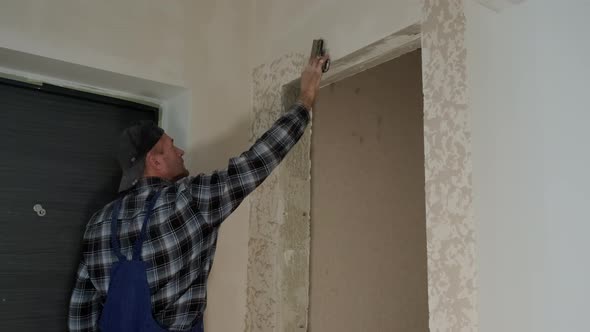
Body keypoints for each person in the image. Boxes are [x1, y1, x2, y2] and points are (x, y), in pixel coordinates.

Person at [67, 53, 330, 332]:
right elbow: (255, 164)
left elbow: (81, 312)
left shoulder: (98, 224)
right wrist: (305, 100)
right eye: (171, 146)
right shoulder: (188, 201)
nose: (181, 151)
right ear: (154, 161)